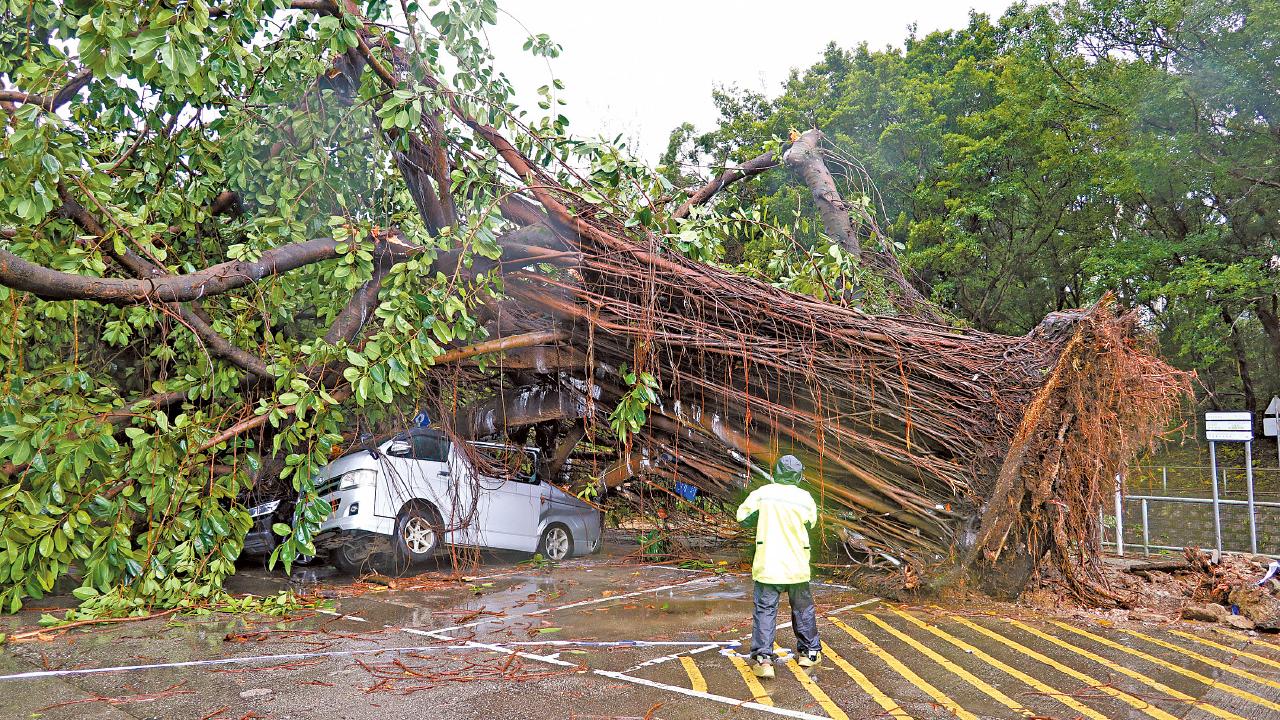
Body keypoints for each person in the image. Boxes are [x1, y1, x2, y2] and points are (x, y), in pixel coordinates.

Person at [735, 454, 820, 679]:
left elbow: (742, 517)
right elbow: (811, 523)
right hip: (796, 565)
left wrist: (763, 519)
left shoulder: (762, 494)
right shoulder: (805, 498)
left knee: (765, 611)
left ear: (775, 473)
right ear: (799, 477)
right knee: (803, 610)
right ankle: (809, 653)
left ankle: (764, 660)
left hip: (768, 565)